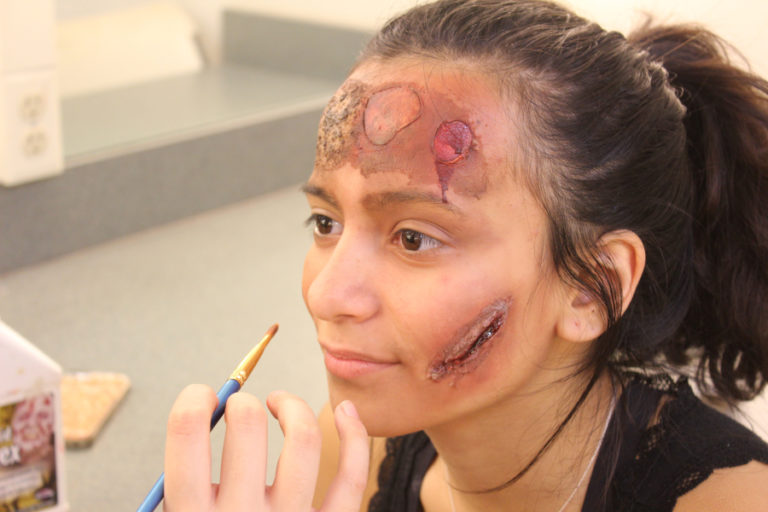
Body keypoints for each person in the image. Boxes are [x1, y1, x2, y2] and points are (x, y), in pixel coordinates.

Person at [160, 0, 768, 510]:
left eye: (414, 238)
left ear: (590, 284)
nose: (325, 295)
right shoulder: (355, 453)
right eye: (326, 221)